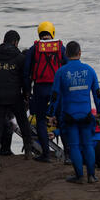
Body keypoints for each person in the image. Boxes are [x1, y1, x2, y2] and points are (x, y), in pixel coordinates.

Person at [47, 41, 100, 183]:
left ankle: (79, 176)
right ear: (80, 53)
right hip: (86, 114)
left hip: (69, 114)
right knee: (88, 144)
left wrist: (51, 114)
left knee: (75, 146)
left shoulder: (61, 72)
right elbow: (97, 94)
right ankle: (91, 175)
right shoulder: (89, 70)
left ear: (66, 54)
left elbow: (54, 96)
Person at [0, 30, 32, 166]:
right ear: (15, 42)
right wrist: (27, 95)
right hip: (15, 96)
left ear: (4, 40)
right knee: (23, 123)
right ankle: (28, 151)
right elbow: (25, 79)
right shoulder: (20, 58)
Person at [24, 21, 67, 162]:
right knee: (61, 119)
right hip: (57, 90)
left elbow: (26, 72)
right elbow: (67, 66)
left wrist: (27, 92)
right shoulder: (60, 48)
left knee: (41, 121)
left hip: (40, 89)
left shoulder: (34, 48)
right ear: (52, 32)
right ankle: (68, 155)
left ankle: (46, 155)